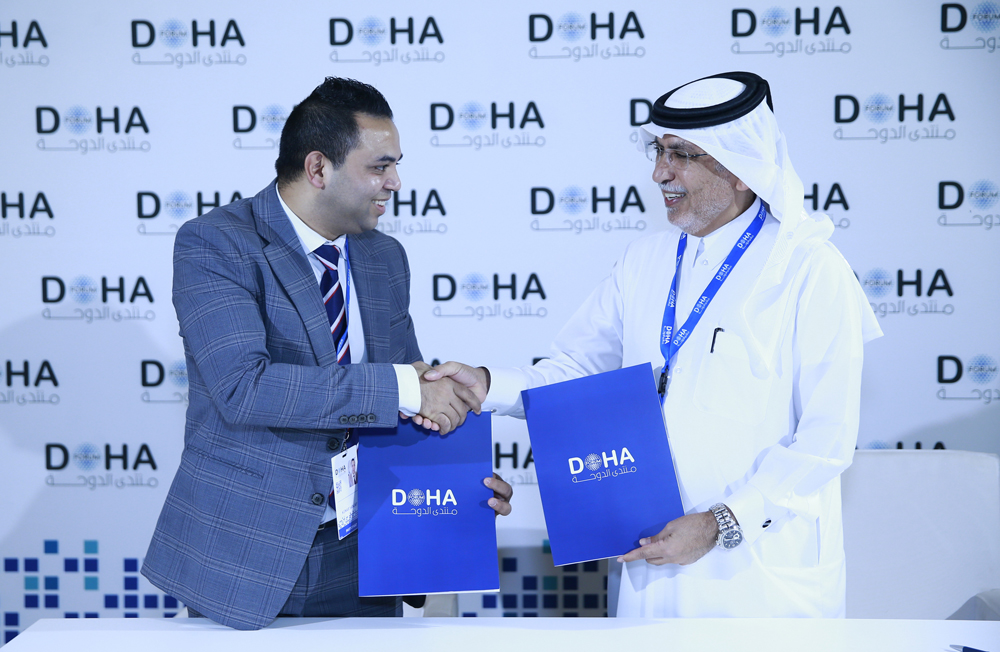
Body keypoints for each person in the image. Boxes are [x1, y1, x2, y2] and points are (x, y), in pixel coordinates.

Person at [424, 72, 881, 618]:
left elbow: (826, 442)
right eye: (659, 151)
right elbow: (575, 374)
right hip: (650, 573)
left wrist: (721, 524)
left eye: (681, 154)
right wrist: (491, 384)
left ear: (739, 169)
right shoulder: (646, 260)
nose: (660, 172)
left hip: (762, 584)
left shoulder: (810, 269)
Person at [141, 77, 512, 631]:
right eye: (380, 167)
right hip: (248, 556)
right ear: (319, 168)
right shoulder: (217, 243)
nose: (396, 182)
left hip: (368, 553)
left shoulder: (385, 257)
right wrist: (408, 387)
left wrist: (461, 480)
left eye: (397, 165)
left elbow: (411, 400)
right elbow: (245, 388)